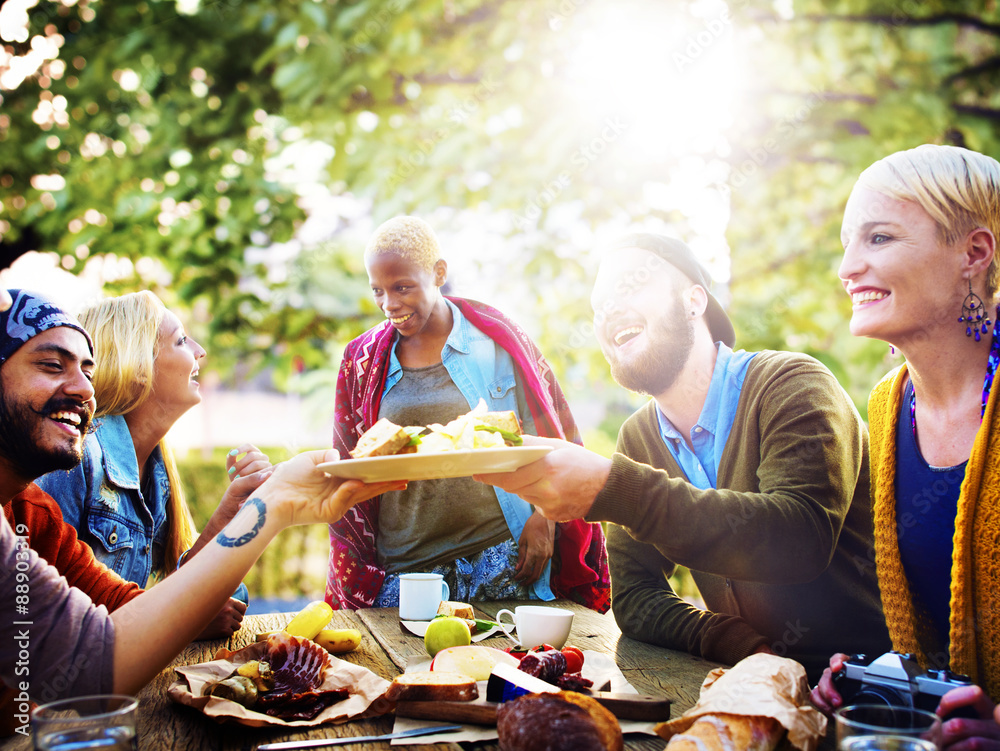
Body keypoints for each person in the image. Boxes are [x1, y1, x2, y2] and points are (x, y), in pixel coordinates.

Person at [475, 233, 890, 679]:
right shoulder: (639, 436)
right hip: (756, 684)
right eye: (598, 308)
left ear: (694, 300)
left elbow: (799, 538)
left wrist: (613, 490)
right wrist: (738, 643)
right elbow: (635, 597)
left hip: (870, 691)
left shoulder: (793, 384)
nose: (609, 311)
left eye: (629, 287)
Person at [0, 288, 403, 719]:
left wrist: (259, 508)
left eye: (87, 369)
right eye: (51, 365)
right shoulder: (76, 468)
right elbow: (87, 667)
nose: (85, 388)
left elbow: (124, 616)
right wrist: (270, 506)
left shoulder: (31, 510)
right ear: (138, 364)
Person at [808, 144, 1000, 747]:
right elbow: (927, 632)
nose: (848, 267)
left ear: (973, 253)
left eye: (879, 238)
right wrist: (883, 681)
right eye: (847, 243)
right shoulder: (890, 406)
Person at [327, 216, 610, 611]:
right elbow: (350, 460)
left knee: (506, 669)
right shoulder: (362, 360)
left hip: (500, 554)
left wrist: (545, 517)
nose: (389, 304)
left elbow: (550, 432)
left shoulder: (497, 339)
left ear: (438, 272)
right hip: (406, 569)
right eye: (378, 291)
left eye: (402, 287)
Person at [36, 292, 265, 615]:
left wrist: (235, 508)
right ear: (139, 366)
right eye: (182, 341)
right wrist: (187, 618)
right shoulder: (77, 458)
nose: (200, 352)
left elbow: (197, 590)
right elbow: (45, 609)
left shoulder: (156, 471)